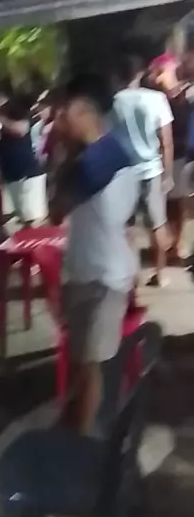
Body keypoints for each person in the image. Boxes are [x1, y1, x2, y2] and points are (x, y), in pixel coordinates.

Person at [52, 75, 138, 434]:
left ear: (84, 110)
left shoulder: (96, 162)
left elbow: (56, 208)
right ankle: (76, 427)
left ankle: (81, 440)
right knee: (83, 364)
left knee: (88, 368)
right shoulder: (117, 151)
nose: (59, 117)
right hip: (96, 270)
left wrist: (59, 152)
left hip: (100, 278)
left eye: (65, 110)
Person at [111, 48, 174, 286]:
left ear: (119, 74)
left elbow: (108, 139)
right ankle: (160, 273)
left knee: (127, 226)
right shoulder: (156, 99)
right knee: (157, 223)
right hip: (152, 170)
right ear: (140, 73)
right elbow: (166, 141)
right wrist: (168, 174)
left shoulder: (114, 102)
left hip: (123, 173)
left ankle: (132, 275)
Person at [148, 53, 190, 263]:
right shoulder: (155, 96)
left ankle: (175, 245)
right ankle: (163, 247)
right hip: (160, 154)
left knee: (178, 203)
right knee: (161, 204)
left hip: (179, 153)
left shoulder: (184, 94)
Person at [0, 81, 47, 226]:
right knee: (15, 221)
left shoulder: (15, 109)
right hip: (11, 176)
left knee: (32, 221)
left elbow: (21, 129)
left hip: (26, 175)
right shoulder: (4, 114)